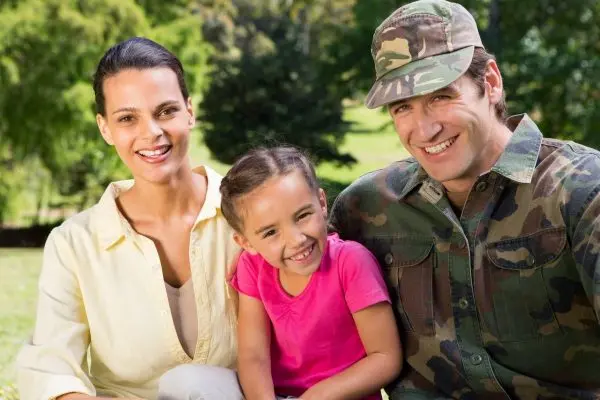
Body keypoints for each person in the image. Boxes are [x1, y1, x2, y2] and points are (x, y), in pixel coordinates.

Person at [329, 0, 600, 399]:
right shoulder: (365, 208)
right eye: (403, 107)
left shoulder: (581, 191)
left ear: (490, 82)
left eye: (441, 96)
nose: (425, 128)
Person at [17, 37, 242, 400]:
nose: (151, 133)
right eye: (127, 118)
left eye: (166, 111)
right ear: (105, 128)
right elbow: (50, 371)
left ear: (190, 111)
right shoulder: (74, 244)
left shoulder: (248, 215)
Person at [219, 146, 402, 399]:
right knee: (187, 383)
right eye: (270, 232)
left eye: (303, 215)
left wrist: (315, 397)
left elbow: (385, 358)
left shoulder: (351, 262)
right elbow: (253, 355)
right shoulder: (252, 266)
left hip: (337, 396)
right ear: (246, 243)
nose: (296, 240)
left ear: (322, 203)